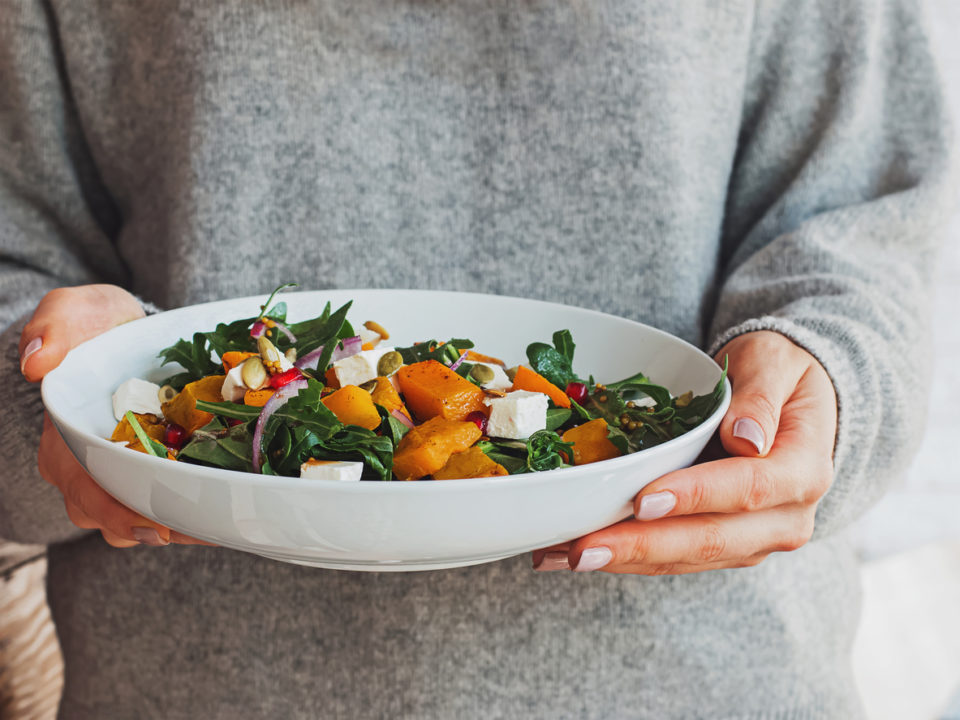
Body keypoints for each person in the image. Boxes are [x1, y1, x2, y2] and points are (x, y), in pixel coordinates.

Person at [2, 0, 955, 717]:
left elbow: (869, 217)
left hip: (707, 680)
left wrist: (821, 373)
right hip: (192, 685)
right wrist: (60, 395)